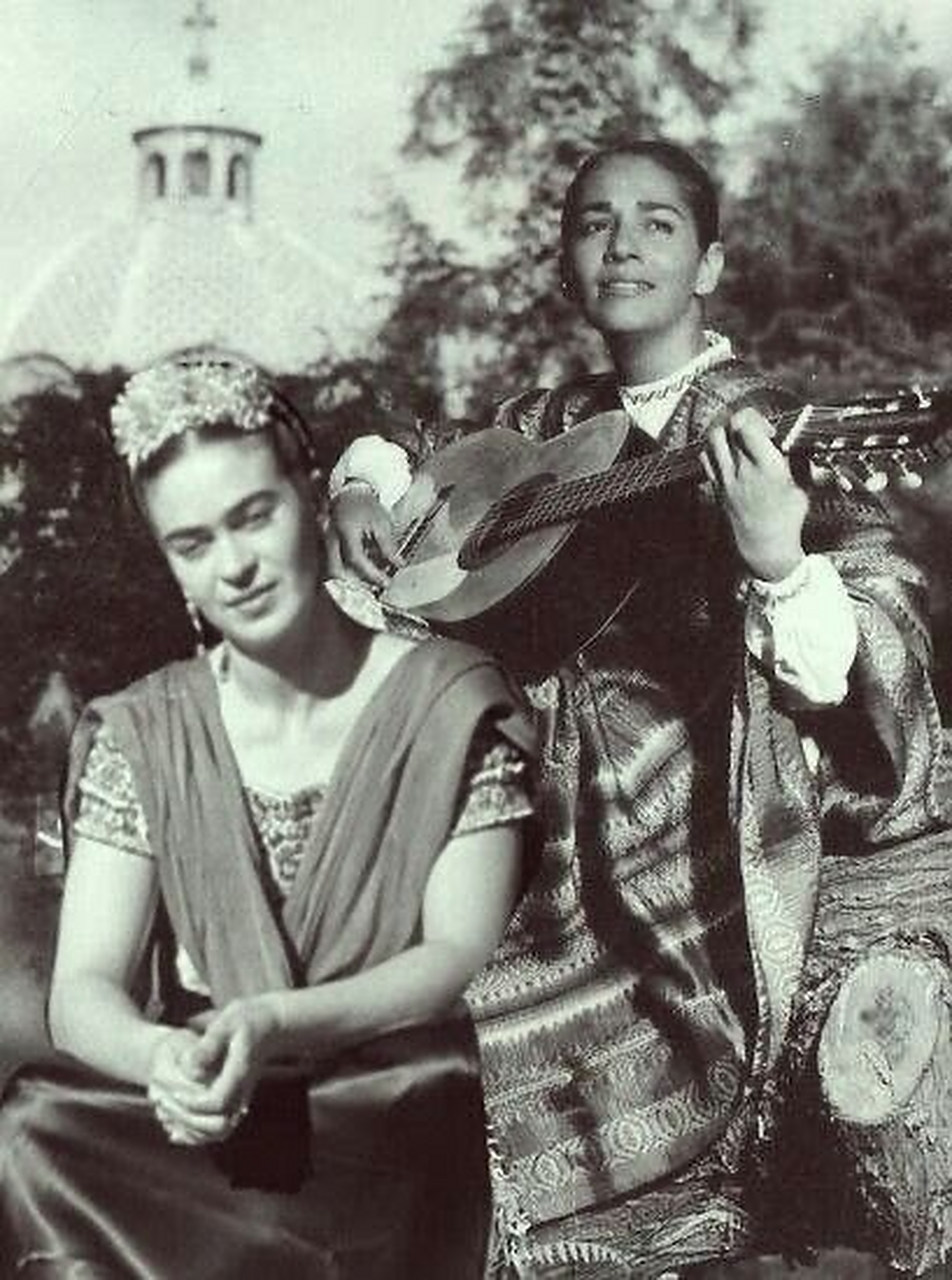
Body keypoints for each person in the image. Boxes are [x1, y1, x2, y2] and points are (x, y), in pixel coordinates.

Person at [328, 141, 946, 1276]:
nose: (622, 245)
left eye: (658, 225)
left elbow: (883, 633)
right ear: (566, 261)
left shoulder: (770, 421)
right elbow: (409, 452)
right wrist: (364, 485)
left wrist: (776, 560)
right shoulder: (535, 421)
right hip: (518, 764)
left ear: (708, 260)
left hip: (684, 797)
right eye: (593, 223)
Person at [0, 358, 535, 1279]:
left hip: (391, 1084)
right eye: (194, 543)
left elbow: (455, 958)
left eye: (254, 516)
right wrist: (163, 1059)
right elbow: (82, 986)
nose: (236, 566)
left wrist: (279, 1021)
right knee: (33, 1125)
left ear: (309, 496)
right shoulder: (146, 730)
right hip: (217, 1089)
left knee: (442, 1094)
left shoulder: (449, 701)